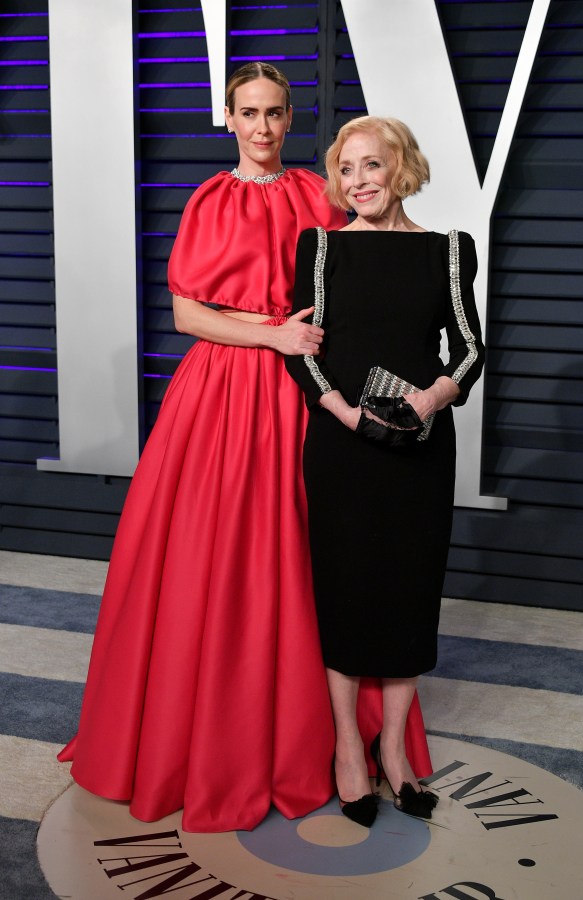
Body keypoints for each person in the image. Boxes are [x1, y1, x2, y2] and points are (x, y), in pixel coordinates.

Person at [58, 68, 432, 833]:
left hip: (308, 391)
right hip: (226, 392)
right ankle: (219, 741)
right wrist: (272, 334)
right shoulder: (210, 199)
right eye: (248, 114)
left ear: (292, 118)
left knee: (319, 556)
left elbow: (360, 281)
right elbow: (188, 314)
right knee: (217, 557)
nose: (261, 128)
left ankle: (337, 743)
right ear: (227, 119)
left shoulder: (317, 195)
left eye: (274, 114)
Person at [285, 116, 485, 827]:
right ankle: (348, 752)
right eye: (346, 169)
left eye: (371, 166)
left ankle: (393, 754)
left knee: (407, 592)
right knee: (344, 592)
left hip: (420, 447)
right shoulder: (321, 248)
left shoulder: (449, 251)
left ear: (400, 169)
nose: (358, 182)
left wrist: (428, 400)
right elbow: (300, 348)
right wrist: (344, 414)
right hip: (342, 445)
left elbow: (468, 348)